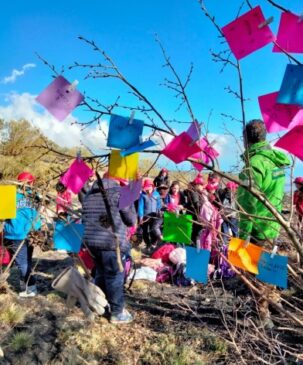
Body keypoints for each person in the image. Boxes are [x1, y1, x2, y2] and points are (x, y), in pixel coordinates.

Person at [237, 119, 290, 327]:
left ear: (245, 139)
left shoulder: (254, 165)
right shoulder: (277, 161)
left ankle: (262, 318)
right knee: (272, 268)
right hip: (275, 224)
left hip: (257, 228)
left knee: (256, 276)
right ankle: (277, 307)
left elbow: (246, 207)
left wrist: (242, 239)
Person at [82, 175, 136, 324]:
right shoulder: (120, 193)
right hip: (111, 242)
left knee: (100, 273)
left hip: (92, 243)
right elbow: (131, 220)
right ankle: (117, 313)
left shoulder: (88, 195)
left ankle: (99, 305)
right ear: (116, 181)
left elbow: (84, 218)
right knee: (114, 277)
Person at [4, 172, 41, 297]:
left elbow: (4, 215)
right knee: (27, 261)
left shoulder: (11, 196)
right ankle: (24, 284)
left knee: (22, 262)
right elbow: (37, 217)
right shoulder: (35, 197)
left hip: (15, 233)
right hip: (30, 234)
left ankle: (30, 288)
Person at [138, 179, 163, 250]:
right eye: (146, 188)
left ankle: (153, 243)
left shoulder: (156, 194)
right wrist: (141, 217)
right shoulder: (142, 195)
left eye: (148, 188)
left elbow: (159, 205)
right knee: (145, 232)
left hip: (154, 216)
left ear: (152, 186)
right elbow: (140, 206)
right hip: (145, 216)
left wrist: (159, 211)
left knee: (153, 230)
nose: (147, 190)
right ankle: (148, 244)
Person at [184, 174, 205, 247]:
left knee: (196, 235)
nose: (202, 187)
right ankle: (196, 251)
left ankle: (194, 250)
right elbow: (197, 205)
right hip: (197, 218)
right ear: (197, 185)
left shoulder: (199, 193)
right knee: (197, 235)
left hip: (197, 218)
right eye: (200, 185)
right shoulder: (194, 193)